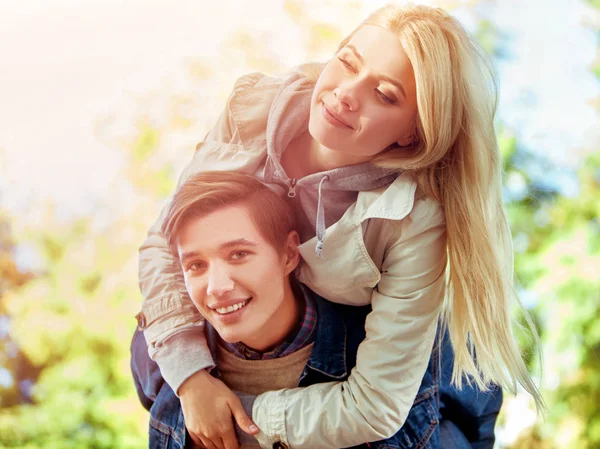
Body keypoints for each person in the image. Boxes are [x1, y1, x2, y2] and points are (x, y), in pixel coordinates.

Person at [135, 3, 543, 449]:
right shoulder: (249, 111)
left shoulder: (413, 216)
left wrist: (244, 416)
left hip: (398, 357)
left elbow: (377, 406)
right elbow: (165, 242)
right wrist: (192, 379)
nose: (346, 94)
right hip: (295, 334)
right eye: (348, 62)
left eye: (384, 95)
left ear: (412, 131)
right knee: (149, 354)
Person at [131, 170, 446, 449]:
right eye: (196, 265)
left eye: (239, 254)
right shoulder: (160, 356)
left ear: (288, 254)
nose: (216, 287)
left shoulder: (383, 355)